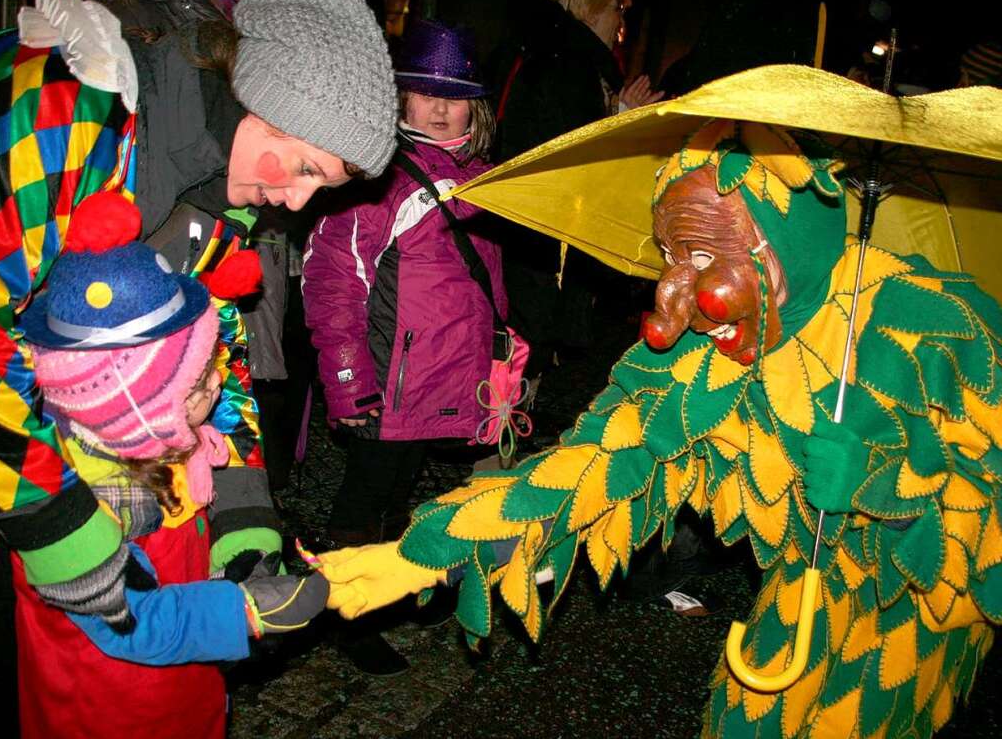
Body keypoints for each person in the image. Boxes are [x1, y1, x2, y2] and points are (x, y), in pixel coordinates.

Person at [314, 120, 1002, 738]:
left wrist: (889, 494)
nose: (673, 301)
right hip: (805, 589)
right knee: (745, 717)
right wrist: (428, 550)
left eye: (702, 256)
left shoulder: (943, 330)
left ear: (786, 240)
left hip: (921, 621)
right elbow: (596, 463)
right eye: (670, 256)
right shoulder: (701, 361)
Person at [0, 0, 394, 644]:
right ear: (262, 104)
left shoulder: (221, 188)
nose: (295, 203)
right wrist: (53, 524)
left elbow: (208, 344)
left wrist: (243, 514)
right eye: (307, 168)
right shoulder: (64, 111)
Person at [14, 192, 328, 738]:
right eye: (200, 378)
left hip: (183, 691)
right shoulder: (76, 502)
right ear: (131, 400)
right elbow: (129, 621)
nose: (219, 382)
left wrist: (237, 557)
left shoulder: (163, 442)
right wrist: (243, 612)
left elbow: (199, 527)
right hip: (107, 709)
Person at [301, 19, 505, 674]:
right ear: (400, 99)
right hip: (385, 374)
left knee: (400, 493)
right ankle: (342, 611)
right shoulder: (375, 176)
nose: (440, 107)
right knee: (363, 498)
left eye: (454, 94)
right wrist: (345, 379)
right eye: (423, 92)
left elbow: (489, 279)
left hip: (447, 371)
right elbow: (332, 283)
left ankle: (387, 585)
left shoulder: (487, 175)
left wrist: (501, 349)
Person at [494, 0, 663, 395]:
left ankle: (504, 424)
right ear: (590, 10)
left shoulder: (559, 55)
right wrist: (622, 120)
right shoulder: (568, 64)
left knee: (528, 333)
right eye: (615, 10)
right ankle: (498, 433)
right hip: (540, 229)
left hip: (534, 226)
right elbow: (577, 150)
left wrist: (620, 113)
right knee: (526, 333)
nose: (620, 23)